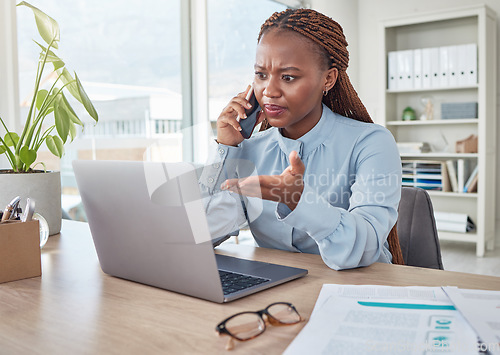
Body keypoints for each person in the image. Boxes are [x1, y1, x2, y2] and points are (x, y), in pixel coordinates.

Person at [199, 8, 403, 270]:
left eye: (288, 77)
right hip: (278, 294)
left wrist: (300, 201)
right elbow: (200, 234)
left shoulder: (371, 143)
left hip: (358, 289)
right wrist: (225, 150)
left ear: (328, 79)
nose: (269, 91)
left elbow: (363, 248)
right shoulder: (250, 150)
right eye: (261, 75)